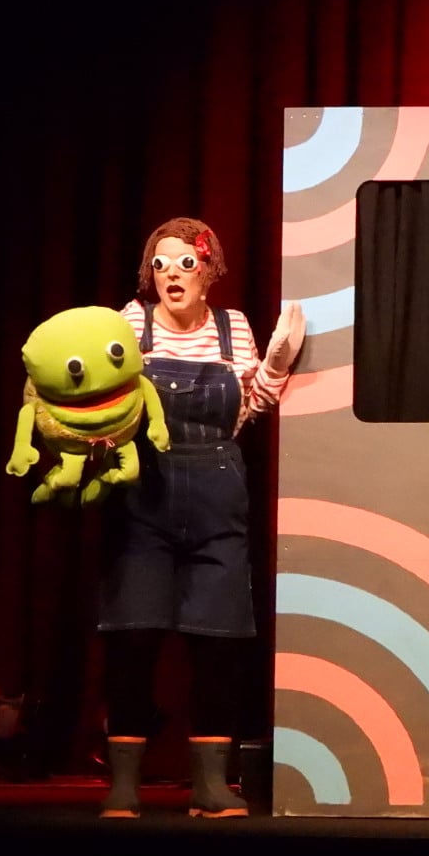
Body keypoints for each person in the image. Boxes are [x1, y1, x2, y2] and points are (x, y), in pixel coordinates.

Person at [94, 217, 305, 818]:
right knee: (133, 637)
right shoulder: (131, 322)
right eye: (160, 264)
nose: (171, 275)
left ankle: (210, 785)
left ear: (208, 271)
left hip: (216, 490)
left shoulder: (232, 327)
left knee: (217, 642)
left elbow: (249, 410)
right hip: (144, 495)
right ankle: (124, 784)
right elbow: (106, 397)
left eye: (185, 263)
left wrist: (276, 365)